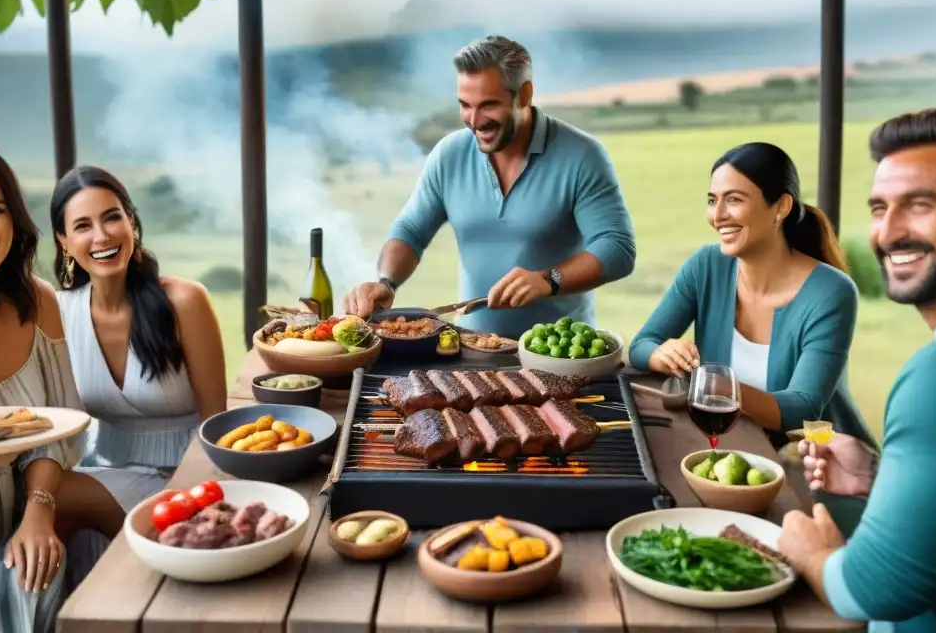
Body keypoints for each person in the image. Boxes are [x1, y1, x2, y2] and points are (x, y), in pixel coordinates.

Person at [778, 109, 936, 632]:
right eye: (879, 207)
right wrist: (882, 474)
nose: (889, 233)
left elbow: (878, 589)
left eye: (920, 205)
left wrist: (808, 551)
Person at [342, 35, 636, 338]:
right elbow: (411, 230)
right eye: (465, 105)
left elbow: (616, 247)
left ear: (524, 94)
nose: (474, 120)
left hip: (559, 352)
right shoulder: (449, 154)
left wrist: (549, 279)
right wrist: (386, 282)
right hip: (472, 348)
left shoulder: (582, 155)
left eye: (488, 105)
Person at [628, 142, 873, 445]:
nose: (717, 215)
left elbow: (802, 408)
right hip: (724, 445)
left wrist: (713, 386)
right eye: (712, 200)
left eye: (734, 200)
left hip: (812, 463)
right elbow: (641, 345)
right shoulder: (706, 266)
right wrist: (660, 353)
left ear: (781, 207)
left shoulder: (831, 292)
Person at [49, 166, 226, 584]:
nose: (102, 236)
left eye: (112, 217)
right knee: (46, 507)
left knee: (55, 496)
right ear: (63, 241)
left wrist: (199, 495)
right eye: (83, 226)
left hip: (181, 478)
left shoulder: (184, 301)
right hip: (101, 473)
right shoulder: (58, 313)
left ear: (131, 221)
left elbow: (216, 423)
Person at [0, 143, 84, 633]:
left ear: (14, 219)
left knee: (44, 575)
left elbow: (60, 427)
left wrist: (38, 512)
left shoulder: (38, 301)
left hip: (15, 513)